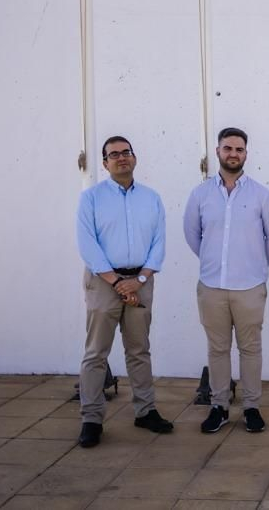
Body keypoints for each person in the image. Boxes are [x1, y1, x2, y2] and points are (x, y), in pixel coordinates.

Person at [184, 126, 269, 435]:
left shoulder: (261, 195)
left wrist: (254, 265)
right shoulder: (200, 194)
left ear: (246, 154)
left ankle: (251, 407)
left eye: (239, 149)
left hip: (250, 287)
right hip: (212, 286)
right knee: (217, 349)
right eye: (227, 148)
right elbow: (192, 235)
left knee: (251, 349)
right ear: (217, 151)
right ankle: (220, 406)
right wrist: (215, 262)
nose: (233, 154)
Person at [75, 135, 173, 448]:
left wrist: (139, 280)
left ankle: (145, 411)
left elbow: (159, 243)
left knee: (139, 350)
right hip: (104, 283)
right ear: (105, 163)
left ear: (134, 157)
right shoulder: (91, 198)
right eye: (114, 154)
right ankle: (92, 418)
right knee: (96, 353)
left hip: (140, 282)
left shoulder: (151, 198)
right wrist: (117, 282)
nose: (121, 158)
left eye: (126, 152)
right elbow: (88, 244)